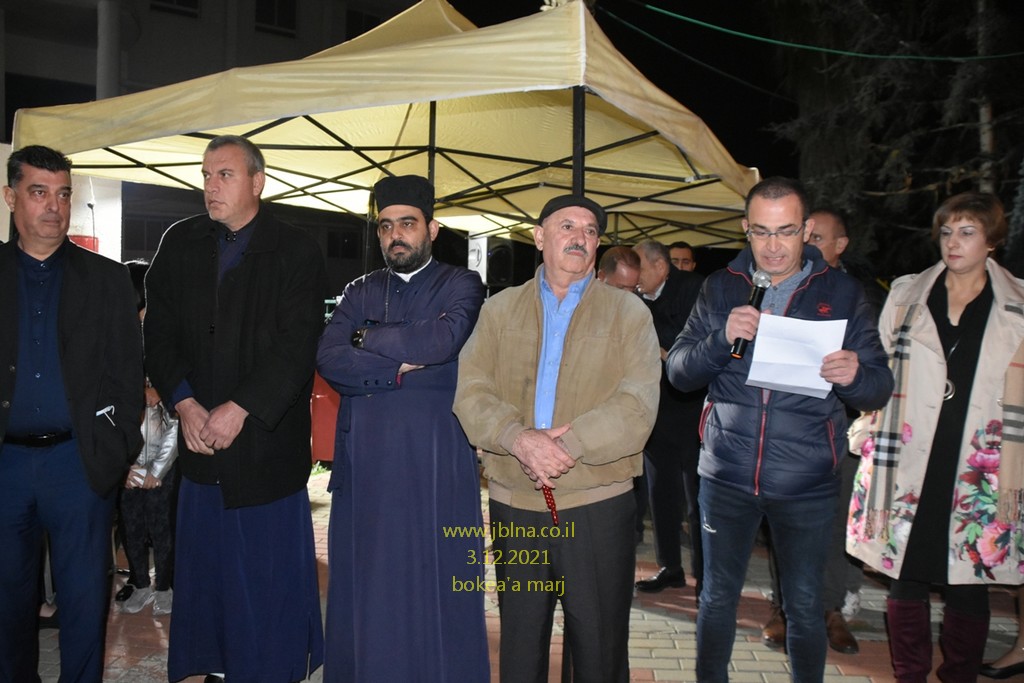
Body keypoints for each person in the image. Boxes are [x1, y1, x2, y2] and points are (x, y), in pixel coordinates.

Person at [667, 176, 892, 682]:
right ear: (745, 229)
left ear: (807, 230)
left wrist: (855, 375)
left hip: (807, 480)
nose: (773, 246)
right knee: (716, 597)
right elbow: (679, 372)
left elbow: (878, 387)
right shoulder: (721, 285)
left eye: (786, 231)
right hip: (726, 474)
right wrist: (720, 339)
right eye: (762, 232)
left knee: (805, 604)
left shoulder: (841, 291)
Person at [454, 194, 661, 682]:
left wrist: (566, 447)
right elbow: (471, 390)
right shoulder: (499, 310)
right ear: (539, 237)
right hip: (517, 504)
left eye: (590, 231)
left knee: (599, 647)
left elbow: (637, 403)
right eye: (567, 226)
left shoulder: (628, 313)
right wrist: (517, 438)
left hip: (597, 503)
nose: (580, 237)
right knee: (521, 644)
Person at [144, 135, 327, 683]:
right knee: (205, 579)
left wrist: (241, 407)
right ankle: (211, 666)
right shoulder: (181, 242)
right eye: (205, 175)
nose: (211, 186)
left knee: (265, 582)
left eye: (224, 174)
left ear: (257, 182)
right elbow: (158, 332)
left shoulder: (295, 249)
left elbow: (298, 344)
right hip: (200, 445)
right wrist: (184, 402)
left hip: (266, 450)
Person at [316, 175, 489, 682]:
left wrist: (365, 337)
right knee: (370, 582)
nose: (396, 235)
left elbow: (441, 341)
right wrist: (395, 369)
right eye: (386, 226)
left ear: (432, 229)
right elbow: (328, 357)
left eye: (408, 224)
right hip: (367, 464)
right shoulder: (360, 290)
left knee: (439, 577)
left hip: (435, 460)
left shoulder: (462, 284)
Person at [847, 192, 1024, 681]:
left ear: (992, 240)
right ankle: (909, 675)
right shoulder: (907, 294)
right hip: (906, 452)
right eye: (946, 232)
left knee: (969, 577)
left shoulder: (1019, 303)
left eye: (967, 232)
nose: (953, 242)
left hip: (982, 460)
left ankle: (959, 675)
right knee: (904, 574)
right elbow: (879, 367)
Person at [0, 145, 144, 682]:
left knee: (84, 602)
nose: (54, 207)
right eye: (39, 192)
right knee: (7, 603)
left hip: (78, 465)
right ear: (11, 197)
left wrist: (114, 452)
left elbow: (128, 375)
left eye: (63, 194)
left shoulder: (106, 280)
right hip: (6, 467)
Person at [762, 208, 872, 654]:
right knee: (782, 524)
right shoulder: (778, 287)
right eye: (804, 235)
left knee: (835, 526)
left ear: (841, 245)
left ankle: (832, 610)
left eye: (818, 238)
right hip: (785, 432)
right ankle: (783, 608)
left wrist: (856, 370)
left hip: (840, 431)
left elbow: (877, 370)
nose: (807, 244)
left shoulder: (857, 295)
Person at [631, 239, 705, 598]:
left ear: (660, 266)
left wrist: (660, 346)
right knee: (661, 493)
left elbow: (692, 344)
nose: (635, 276)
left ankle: (705, 575)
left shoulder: (694, 289)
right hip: (656, 411)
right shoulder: (635, 296)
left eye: (640, 267)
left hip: (692, 410)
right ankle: (669, 567)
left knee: (698, 497)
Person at [117, 260, 179, 617]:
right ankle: (140, 584)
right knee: (132, 526)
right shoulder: (116, 339)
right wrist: (121, 466)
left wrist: (158, 469)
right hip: (126, 461)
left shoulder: (164, 341)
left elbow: (179, 416)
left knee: (163, 525)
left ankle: (165, 586)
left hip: (162, 461)